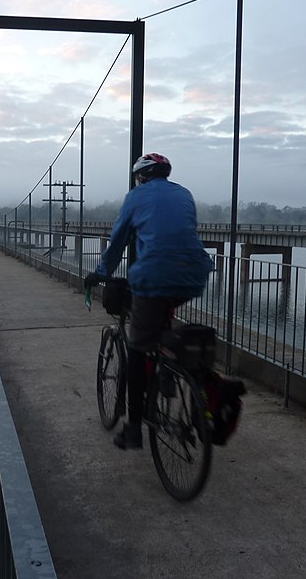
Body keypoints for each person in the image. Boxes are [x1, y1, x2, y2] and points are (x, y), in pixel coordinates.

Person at [84, 153, 213, 450]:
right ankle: (168, 363)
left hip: (153, 277)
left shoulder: (136, 197)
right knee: (162, 320)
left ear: (141, 177)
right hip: (194, 276)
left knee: (138, 348)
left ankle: (132, 430)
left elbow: (118, 240)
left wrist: (100, 273)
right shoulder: (185, 194)